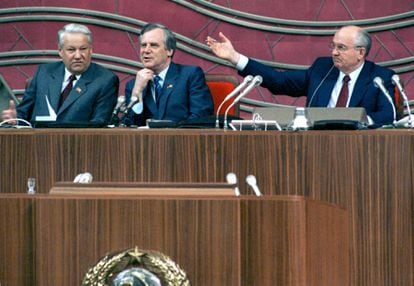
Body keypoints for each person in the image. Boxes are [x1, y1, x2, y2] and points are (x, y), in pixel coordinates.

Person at [206, 25, 396, 126]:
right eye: (333, 46)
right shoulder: (323, 69)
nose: (334, 53)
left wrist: (357, 120)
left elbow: (389, 115)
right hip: (313, 144)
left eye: (341, 48)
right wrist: (235, 58)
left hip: (358, 148)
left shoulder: (379, 78)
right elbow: (278, 81)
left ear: (361, 53)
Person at [1, 23, 119, 126]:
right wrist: (14, 119)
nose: (78, 56)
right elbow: (23, 114)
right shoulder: (44, 73)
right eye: (71, 50)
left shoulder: (105, 80)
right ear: (60, 51)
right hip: (36, 145)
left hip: (79, 146)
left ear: (91, 50)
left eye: (83, 49)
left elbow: (99, 125)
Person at [124, 23, 213, 126]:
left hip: (183, 140)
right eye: (143, 45)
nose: (146, 51)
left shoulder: (190, 75)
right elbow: (129, 126)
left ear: (169, 51)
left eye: (153, 45)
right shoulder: (134, 85)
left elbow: (200, 117)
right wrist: (137, 93)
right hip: (145, 141)